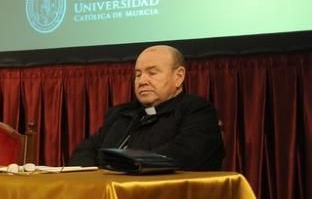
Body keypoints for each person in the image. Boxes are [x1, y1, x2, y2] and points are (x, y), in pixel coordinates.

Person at [67, 45, 224, 170]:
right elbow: (85, 151)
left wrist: (125, 165)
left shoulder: (196, 110)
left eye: (152, 73)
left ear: (179, 76)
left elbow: (186, 154)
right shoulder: (121, 114)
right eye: (138, 74)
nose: (142, 81)